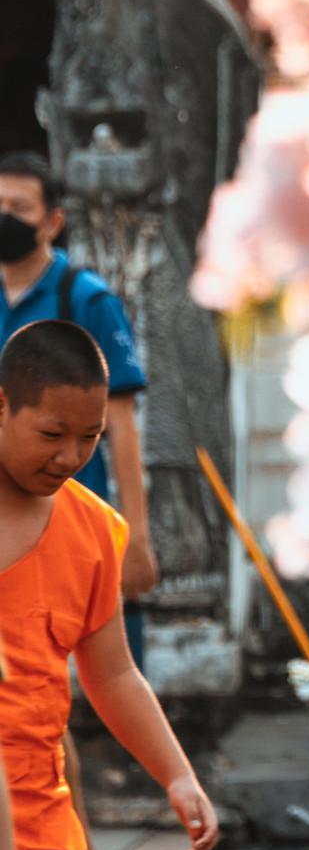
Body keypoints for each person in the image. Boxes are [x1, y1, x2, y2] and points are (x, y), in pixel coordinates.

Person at [0, 318, 219, 850]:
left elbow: (114, 674)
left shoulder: (91, 529)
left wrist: (178, 776)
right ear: (0, 408)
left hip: (43, 831)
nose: (69, 457)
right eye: (51, 434)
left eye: (89, 439)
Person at [0, 153, 157, 664]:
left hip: (73, 506)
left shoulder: (87, 301)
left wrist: (135, 537)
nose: (5, 217)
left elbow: (123, 424)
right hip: (7, 520)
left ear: (53, 221)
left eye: (18, 207)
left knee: (107, 665)